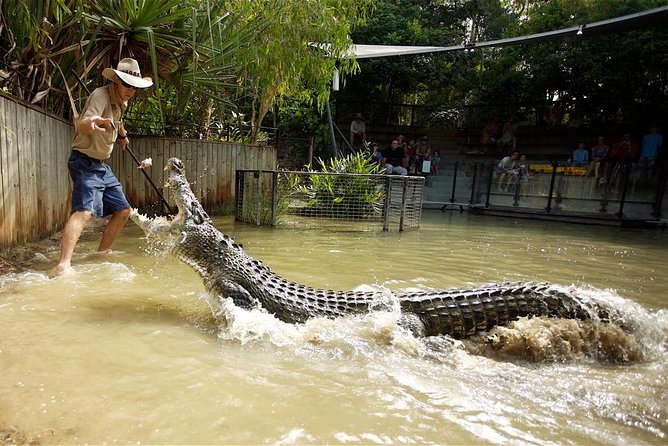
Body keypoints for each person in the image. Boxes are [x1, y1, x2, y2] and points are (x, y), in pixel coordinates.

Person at [50, 58, 153, 277]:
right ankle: (63, 265)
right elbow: (84, 122)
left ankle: (102, 253)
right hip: (84, 162)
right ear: (116, 80)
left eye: (134, 87)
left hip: (100, 166)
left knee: (123, 210)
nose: (131, 90)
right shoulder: (100, 95)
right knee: (84, 212)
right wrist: (92, 122)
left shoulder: (121, 102)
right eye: (127, 85)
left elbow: (118, 122)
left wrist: (123, 136)